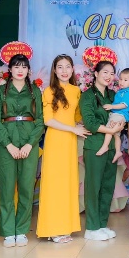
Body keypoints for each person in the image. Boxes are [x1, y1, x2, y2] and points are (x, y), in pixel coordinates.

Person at [0, 54, 44, 248]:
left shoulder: (35, 91)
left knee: (26, 188)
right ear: (10, 70)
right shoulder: (0, 91)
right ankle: (7, 232)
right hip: (7, 143)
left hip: (30, 142)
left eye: (24, 67)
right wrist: (9, 145)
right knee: (6, 189)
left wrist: (30, 144)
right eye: (16, 66)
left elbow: (40, 120)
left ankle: (21, 230)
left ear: (28, 70)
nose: (20, 70)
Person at [37, 54, 91, 243]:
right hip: (55, 140)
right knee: (54, 184)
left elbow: (78, 117)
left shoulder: (76, 90)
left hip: (70, 141)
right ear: (54, 70)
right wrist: (73, 129)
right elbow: (48, 120)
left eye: (68, 66)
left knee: (68, 183)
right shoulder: (49, 91)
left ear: (72, 69)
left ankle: (65, 227)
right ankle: (52, 229)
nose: (64, 71)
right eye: (60, 67)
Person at [80, 60, 125, 241]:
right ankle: (91, 228)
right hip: (95, 146)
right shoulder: (87, 96)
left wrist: (119, 127)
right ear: (96, 74)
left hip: (112, 147)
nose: (108, 76)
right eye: (105, 72)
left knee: (107, 186)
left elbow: (123, 115)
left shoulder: (113, 95)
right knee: (94, 187)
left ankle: (101, 224)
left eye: (112, 73)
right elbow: (90, 123)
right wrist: (111, 131)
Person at [98, 67, 129, 162]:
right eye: (120, 79)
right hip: (117, 114)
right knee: (116, 134)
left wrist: (111, 106)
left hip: (120, 114)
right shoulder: (121, 91)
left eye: (125, 80)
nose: (122, 82)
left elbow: (124, 105)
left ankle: (105, 146)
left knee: (109, 129)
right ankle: (118, 151)